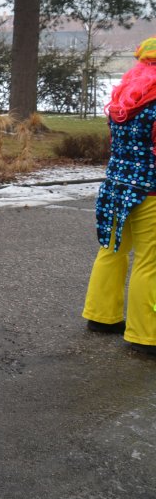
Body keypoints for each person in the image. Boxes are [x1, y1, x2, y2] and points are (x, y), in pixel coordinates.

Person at [82, 36, 156, 357]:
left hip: (116, 185)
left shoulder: (124, 96)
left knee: (112, 249)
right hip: (150, 190)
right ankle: (146, 335)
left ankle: (101, 316)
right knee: (150, 261)